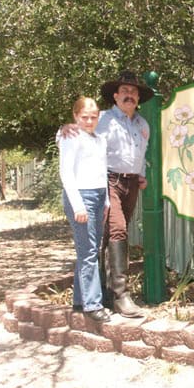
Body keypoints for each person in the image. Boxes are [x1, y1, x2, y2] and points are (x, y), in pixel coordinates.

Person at [61, 70, 154, 318]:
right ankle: (120, 295)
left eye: (133, 92)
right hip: (108, 180)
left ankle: (96, 292)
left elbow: (141, 153)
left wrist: (141, 172)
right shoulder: (102, 118)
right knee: (117, 229)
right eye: (124, 91)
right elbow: (80, 129)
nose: (129, 95)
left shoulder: (143, 125)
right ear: (115, 96)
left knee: (104, 237)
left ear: (138, 98)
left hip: (132, 184)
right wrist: (66, 127)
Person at [59, 97, 110, 322]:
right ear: (75, 116)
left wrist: (106, 200)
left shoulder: (100, 139)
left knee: (90, 249)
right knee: (88, 252)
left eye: (93, 116)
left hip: (98, 195)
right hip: (81, 196)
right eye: (84, 117)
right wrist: (78, 204)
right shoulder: (70, 136)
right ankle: (93, 305)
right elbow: (66, 172)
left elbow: (102, 171)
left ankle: (81, 301)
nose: (89, 121)